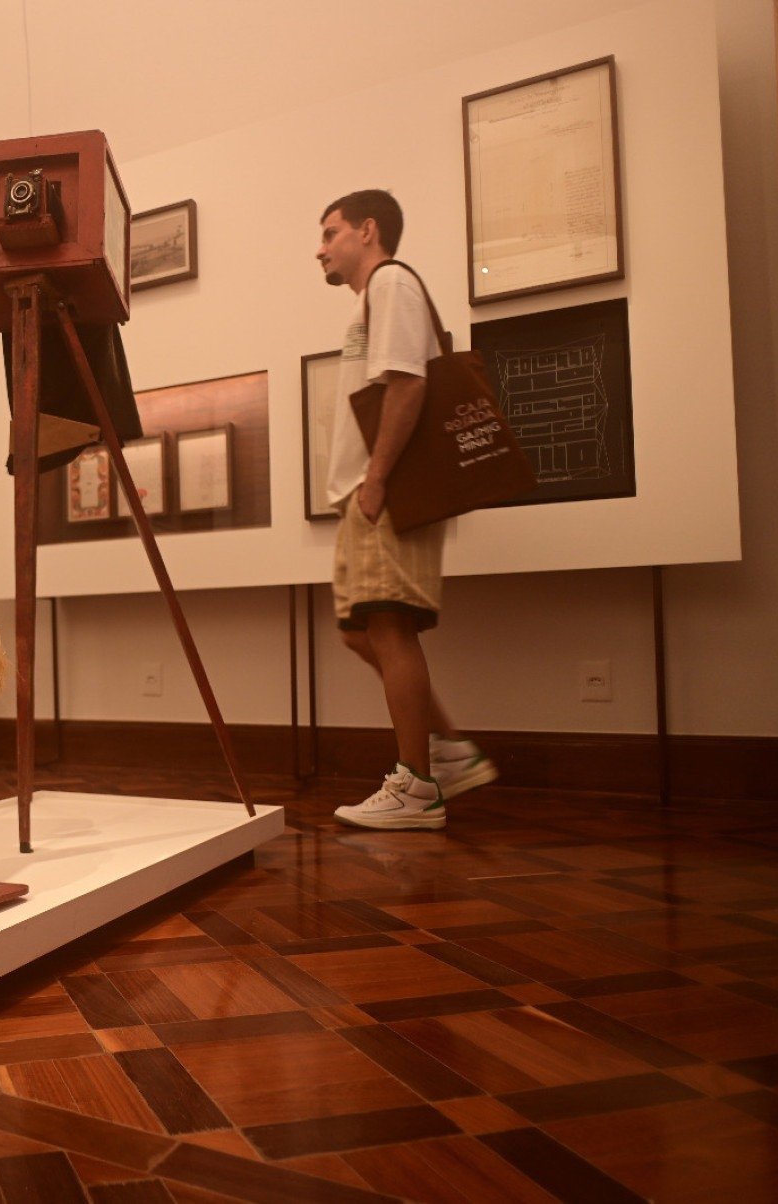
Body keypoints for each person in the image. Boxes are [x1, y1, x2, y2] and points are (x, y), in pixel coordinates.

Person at [315, 190, 496, 830]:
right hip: (366, 491)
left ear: (368, 231)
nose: (321, 248)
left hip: (381, 489)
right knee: (356, 629)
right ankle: (448, 751)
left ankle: (417, 786)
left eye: (331, 232)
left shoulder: (390, 282)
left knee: (388, 627)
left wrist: (377, 479)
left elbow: (409, 380)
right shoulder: (376, 296)